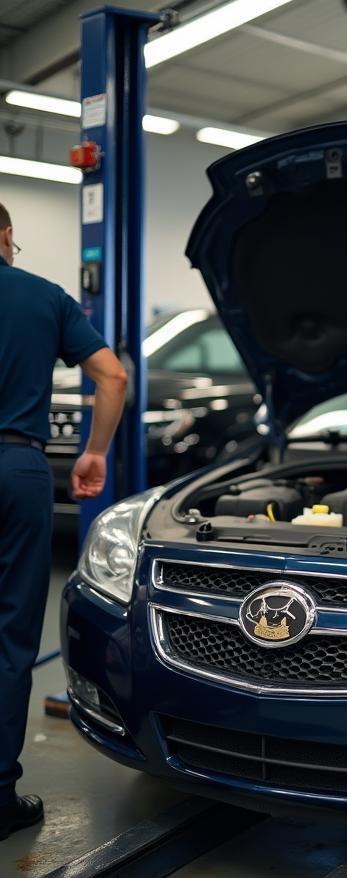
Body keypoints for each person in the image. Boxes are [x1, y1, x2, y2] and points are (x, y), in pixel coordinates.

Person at [0, 201, 127, 841]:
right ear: (5, 237)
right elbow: (112, 375)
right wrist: (95, 450)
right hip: (16, 470)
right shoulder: (44, 298)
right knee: (8, 638)